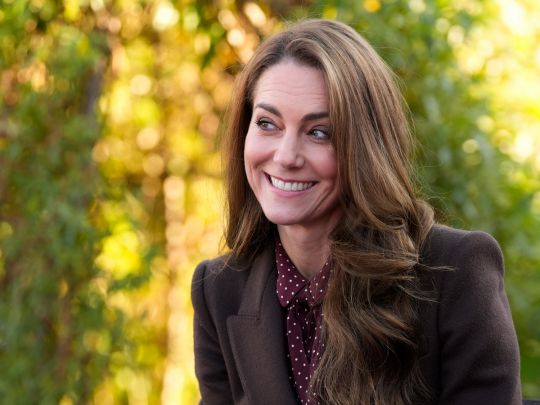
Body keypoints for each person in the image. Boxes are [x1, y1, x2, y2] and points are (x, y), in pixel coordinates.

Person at [191, 19, 521, 405]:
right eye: (267, 124)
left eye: (319, 132)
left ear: (365, 147)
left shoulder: (456, 272)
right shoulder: (218, 291)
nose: (285, 156)